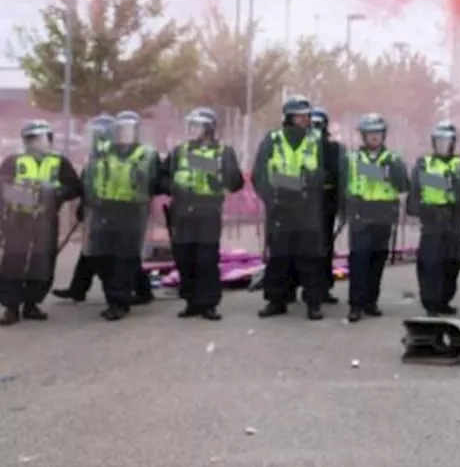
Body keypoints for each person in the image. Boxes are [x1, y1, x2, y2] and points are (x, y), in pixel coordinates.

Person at [159, 108, 244, 321]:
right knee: (184, 257)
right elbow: (160, 177)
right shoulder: (180, 151)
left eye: (197, 126)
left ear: (209, 128)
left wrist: (223, 178)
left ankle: (208, 304)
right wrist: (173, 188)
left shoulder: (224, 152)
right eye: (191, 125)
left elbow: (236, 183)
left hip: (208, 210)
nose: (192, 130)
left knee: (206, 258)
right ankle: (191, 301)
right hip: (182, 210)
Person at [253, 95, 330, 320]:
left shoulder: (315, 140)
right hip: (280, 208)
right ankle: (276, 301)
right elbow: (260, 174)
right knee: (279, 257)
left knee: (309, 258)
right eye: (300, 116)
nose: (305, 120)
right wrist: (272, 198)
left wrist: (307, 186)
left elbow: (320, 171)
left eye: (307, 116)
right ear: (288, 118)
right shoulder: (273, 139)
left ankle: (313, 303)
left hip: (307, 208)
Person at [0, 121, 83, 326]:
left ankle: (32, 304)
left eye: (42, 138)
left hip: (46, 222)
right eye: (33, 139)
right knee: (13, 264)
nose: (38, 143)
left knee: (43, 263)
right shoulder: (13, 161)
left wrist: (57, 194)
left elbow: (74, 187)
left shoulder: (59, 162)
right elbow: (2, 189)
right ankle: (11, 307)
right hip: (18, 221)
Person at [84, 111, 161, 321]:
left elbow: (158, 180)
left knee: (124, 259)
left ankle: (118, 302)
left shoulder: (147, 154)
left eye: (129, 130)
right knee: (100, 257)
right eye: (120, 130)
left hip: (132, 211)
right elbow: (89, 177)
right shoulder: (102, 153)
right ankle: (117, 296)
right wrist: (88, 201)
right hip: (103, 209)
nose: (124, 134)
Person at [338, 112, 409, 322]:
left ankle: (371, 301)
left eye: (378, 133)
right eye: (370, 134)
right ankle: (356, 304)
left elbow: (404, 185)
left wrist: (391, 172)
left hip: (383, 214)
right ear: (363, 136)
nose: (374, 137)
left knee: (377, 261)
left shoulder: (393, 159)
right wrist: (344, 213)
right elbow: (343, 187)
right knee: (358, 260)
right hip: (361, 213)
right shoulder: (351, 159)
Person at [407, 121, 460, 316]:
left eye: (447, 141)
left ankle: (444, 300)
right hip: (432, 220)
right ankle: (431, 302)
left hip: (455, 219)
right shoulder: (424, 163)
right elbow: (417, 187)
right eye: (440, 141)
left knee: (452, 263)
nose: (443, 145)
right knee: (430, 263)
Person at [51, 113, 114, 303]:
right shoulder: (95, 157)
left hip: (111, 211)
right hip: (94, 209)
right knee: (89, 250)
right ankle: (78, 289)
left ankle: (136, 291)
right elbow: (88, 184)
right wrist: (84, 205)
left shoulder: (112, 156)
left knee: (105, 253)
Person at [310, 106, 343, 305]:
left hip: (326, 201)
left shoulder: (333, 149)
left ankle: (323, 288)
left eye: (318, 125)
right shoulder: (300, 147)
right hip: (302, 203)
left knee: (324, 247)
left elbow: (339, 175)